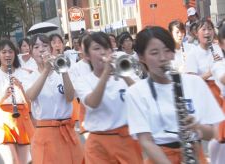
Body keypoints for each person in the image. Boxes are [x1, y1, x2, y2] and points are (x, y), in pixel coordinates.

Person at [127, 26, 224, 164]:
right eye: (154, 53)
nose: (162, 58)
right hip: (159, 158)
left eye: (167, 51)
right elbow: (146, 141)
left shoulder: (194, 82)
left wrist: (197, 127)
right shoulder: (136, 92)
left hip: (194, 155)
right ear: (142, 57)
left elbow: (213, 133)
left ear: (173, 53)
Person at [74, 32, 143, 164]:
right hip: (98, 145)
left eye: (106, 48)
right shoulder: (83, 81)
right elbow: (93, 103)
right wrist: (106, 74)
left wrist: (124, 74)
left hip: (126, 141)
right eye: (97, 48)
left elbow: (140, 95)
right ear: (87, 56)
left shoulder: (126, 73)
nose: (103, 52)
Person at [26, 34, 84, 164]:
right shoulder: (29, 76)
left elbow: (70, 97)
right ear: (31, 53)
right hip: (45, 133)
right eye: (36, 47)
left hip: (67, 131)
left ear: (51, 49)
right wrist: (46, 71)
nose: (41, 50)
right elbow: (31, 96)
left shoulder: (63, 72)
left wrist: (63, 71)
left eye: (45, 45)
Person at [0, 40, 34, 164]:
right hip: (2, 119)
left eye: (10, 52)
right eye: (4, 52)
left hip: (22, 117)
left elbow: (30, 103)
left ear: (15, 54)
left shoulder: (23, 73)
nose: (7, 55)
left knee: (23, 161)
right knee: (11, 161)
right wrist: (3, 95)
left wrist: (20, 87)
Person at [185, 18, 224, 106]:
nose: (207, 32)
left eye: (210, 29)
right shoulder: (193, 53)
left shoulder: (219, 48)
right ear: (196, 33)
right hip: (206, 96)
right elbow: (191, 82)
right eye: (203, 29)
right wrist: (210, 73)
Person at [209, 24, 225, 164]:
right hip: (222, 104)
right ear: (220, 43)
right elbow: (223, 78)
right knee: (219, 145)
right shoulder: (218, 62)